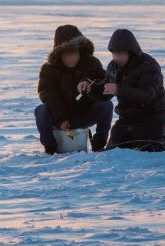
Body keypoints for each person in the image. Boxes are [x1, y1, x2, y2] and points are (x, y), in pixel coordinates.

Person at [35, 25, 113, 154]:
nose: (71, 58)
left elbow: (105, 87)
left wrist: (90, 86)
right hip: (59, 117)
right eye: (67, 54)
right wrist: (61, 119)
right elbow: (48, 96)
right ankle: (50, 148)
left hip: (83, 115)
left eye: (74, 53)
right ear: (59, 54)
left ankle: (99, 146)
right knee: (41, 111)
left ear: (80, 50)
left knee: (106, 105)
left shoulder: (92, 63)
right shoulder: (48, 69)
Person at [101, 29, 165, 152]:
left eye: (120, 53)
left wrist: (118, 89)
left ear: (131, 52)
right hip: (126, 119)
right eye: (114, 54)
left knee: (144, 152)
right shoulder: (113, 66)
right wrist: (89, 88)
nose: (117, 57)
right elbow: (104, 91)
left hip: (151, 118)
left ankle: (161, 139)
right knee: (113, 152)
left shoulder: (149, 66)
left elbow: (146, 96)